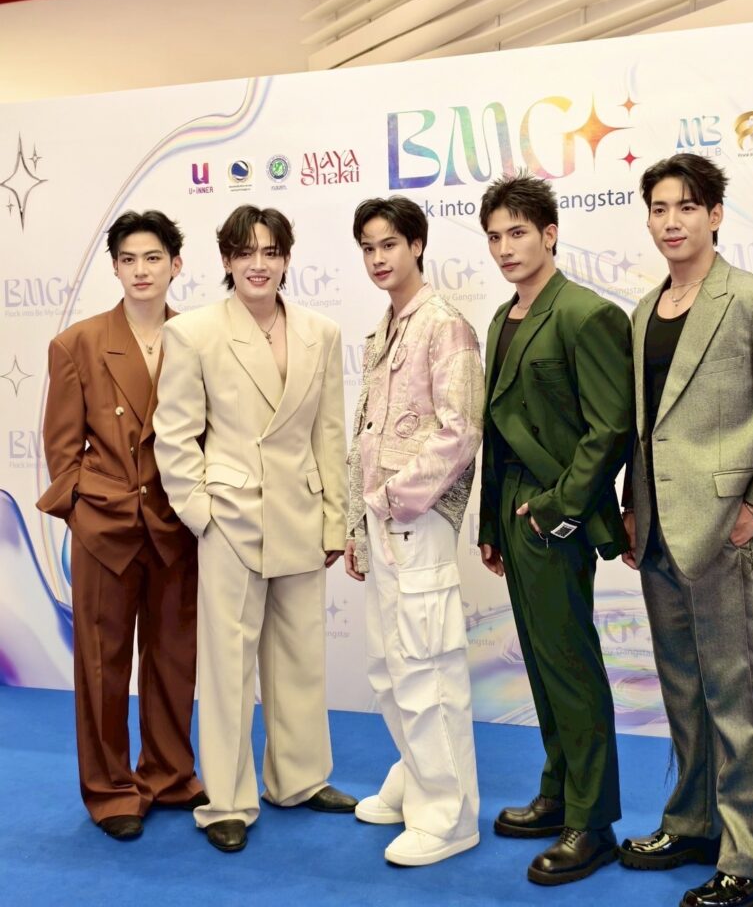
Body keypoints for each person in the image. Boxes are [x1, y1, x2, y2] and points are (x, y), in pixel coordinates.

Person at [154, 204, 356, 854]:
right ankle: (228, 800)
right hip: (231, 519)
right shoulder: (194, 333)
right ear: (227, 260)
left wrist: (335, 520)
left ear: (287, 259)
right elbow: (174, 435)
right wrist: (202, 513)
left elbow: (329, 432)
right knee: (228, 667)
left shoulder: (321, 332)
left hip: (300, 512)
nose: (259, 264)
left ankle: (298, 779)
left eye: (271, 252)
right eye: (246, 253)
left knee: (300, 657)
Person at [618, 154, 753, 907]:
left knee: (737, 698)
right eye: (659, 208)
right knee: (682, 689)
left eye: (686, 206)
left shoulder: (752, 299)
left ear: (714, 214)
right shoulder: (645, 309)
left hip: (726, 527)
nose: (671, 221)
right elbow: (644, 424)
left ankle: (748, 855)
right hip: (657, 530)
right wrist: (631, 505)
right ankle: (691, 822)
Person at [477, 172, 633, 885]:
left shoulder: (586, 313)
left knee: (569, 663)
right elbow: (495, 429)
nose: (505, 248)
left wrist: (556, 509)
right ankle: (559, 792)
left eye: (517, 233)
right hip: (513, 510)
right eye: (494, 236)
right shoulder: (501, 317)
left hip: (555, 515)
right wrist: (490, 522)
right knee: (542, 664)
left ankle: (591, 822)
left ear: (549, 234)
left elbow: (610, 429)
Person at [37, 210, 205, 840]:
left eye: (153, 258)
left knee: (173, 661)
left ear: (176, 265)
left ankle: (169, 774)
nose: (141, 270)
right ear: (114, 268)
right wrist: (86, 508)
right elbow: (60, 450)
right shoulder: (77, 344)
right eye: (129, 259)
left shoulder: (197, 339)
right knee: (103, 667)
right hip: (106, 528)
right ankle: (110, 791)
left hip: (176, 523)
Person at [345, 196, 483, 867]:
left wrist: (395, 500)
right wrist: (357, 519)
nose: (378, 258)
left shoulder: (444, 325)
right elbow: (366, 434)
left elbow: (461, 430)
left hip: (416, 519)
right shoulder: (386, 327)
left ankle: (449, 816)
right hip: (381, 521)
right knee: (388, 666)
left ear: (417, 246)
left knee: (427, 668)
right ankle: (418, 775)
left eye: (389, 244)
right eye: (368, 247)